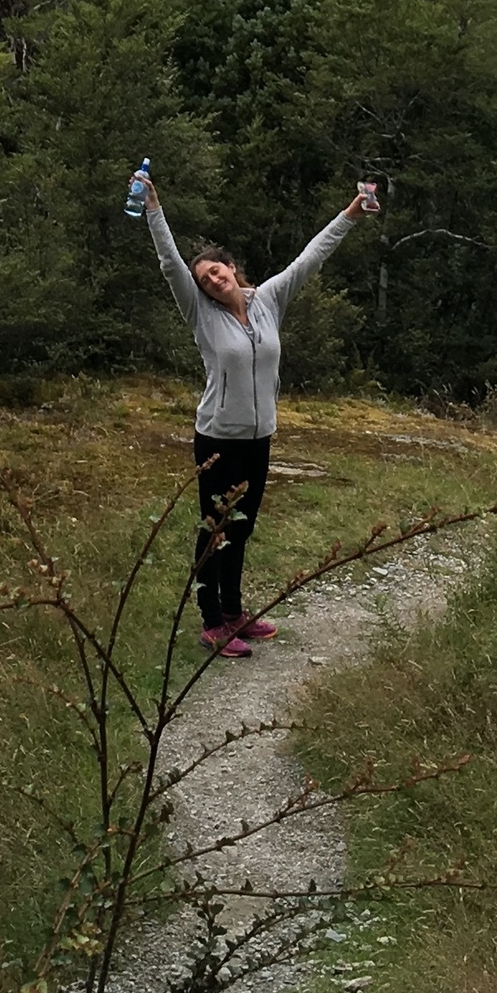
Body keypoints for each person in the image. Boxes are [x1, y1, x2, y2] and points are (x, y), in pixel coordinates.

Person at [137, 172, 380, 658]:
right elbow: (169, 265)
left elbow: (312, 256)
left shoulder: (268, 299)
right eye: (205, 278)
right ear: (201, 288)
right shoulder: (200, 314)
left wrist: (352, 213)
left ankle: (234, 614)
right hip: (218, 438)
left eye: (218, 270)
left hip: (258, 438)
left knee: (242, 527)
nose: (213, 278)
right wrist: (153, 209)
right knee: (217, 529)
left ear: (232, 268)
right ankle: (211, 624)